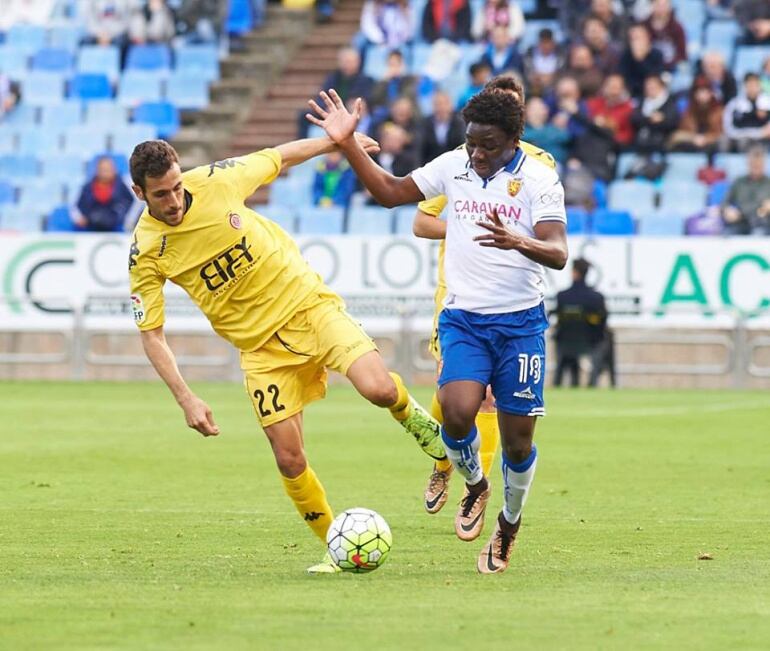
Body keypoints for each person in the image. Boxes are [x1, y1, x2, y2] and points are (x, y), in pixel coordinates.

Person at [127, 136, 446, 574]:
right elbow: (152, 334)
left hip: (308, 306)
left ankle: (415, 421)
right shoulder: (145, 250)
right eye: (161, 194)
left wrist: (336, 140)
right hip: (260, 350)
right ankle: (338, 548)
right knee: (288, 457)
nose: (174, 199)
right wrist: (187, 397)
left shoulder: (217, 181)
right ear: (139, 193)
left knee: (376, 389)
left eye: (177, 186)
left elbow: (279, 156)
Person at [306, 84, 568, 574]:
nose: (477, 152)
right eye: (472, 141)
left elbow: (558, 252)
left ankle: (509, 524)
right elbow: (388, 194)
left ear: (514, 140)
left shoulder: (539, 179)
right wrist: (346, 144)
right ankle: (475, 485)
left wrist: (518, 241)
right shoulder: (454, 166)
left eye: (488, 144)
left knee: (517, 442)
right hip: (464, 318)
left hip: (520, 323)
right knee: (457, 411)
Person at [409, 76, 559, 537]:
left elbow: (550, 237)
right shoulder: (460, 162)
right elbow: (420, 219)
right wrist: (466, 226)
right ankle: (445, 462)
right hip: (456, 297)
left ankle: (480, 491)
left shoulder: (539, 166)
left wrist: (516, 239)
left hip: (513, 304)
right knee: (452, 399)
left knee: (492, 404)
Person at [553, 258, 610, 388]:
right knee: (604, 339)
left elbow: (558, 319)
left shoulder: (562, 296)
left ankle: (562, 380)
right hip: (591, 343)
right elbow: (603, 322)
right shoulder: (597, 298)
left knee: (565, 347)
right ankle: (592, 382)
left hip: (566, 343)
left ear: (574, 272)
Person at [73, 156, 135, 232]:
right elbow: (77, 206)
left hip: (117, 226)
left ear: (114, 169)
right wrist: (80, 218)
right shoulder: (87, 187)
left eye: (109, 169)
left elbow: (132, 205)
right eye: (103, 169)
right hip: (91, 227)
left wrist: (126, 219)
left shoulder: (123, 186)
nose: (106, 172)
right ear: (97, 170)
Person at [721, 145, 770, 235]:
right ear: (748, 163)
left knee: (758, 234)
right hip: (740, 220)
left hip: (763, 222)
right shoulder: (738, 182)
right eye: (753, 164)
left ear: (763, 164)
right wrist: (727, 210)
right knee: (726, 234)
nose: (755, 167)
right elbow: (724, 203)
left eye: (758, 164)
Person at [669, 76, 724, 154]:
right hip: (692, 143)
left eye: (704, 92)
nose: (701, 95)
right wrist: (694, 138)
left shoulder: (719, 111)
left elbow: (721, 133)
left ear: (711, 93)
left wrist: (705, 139)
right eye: (698, 92)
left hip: (711, 144)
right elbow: (682, 131)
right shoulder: (689, 110)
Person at [723, 72, 770, 150]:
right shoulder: (734, 104)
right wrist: (756, 134)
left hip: (764, 140)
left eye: (755, 85)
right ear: (744, 86)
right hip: (739, 140)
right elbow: (728, 128)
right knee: (739, 142)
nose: (752, 88)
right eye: (749, 85)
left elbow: (767, 131)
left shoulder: (767, 103)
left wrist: (762, 134)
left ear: (760, 86)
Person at [418, 90, 466, 165]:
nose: (441, 108)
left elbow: (462, 146)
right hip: (431, 166)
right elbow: (421, 150)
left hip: (455, 164)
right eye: (437, 104)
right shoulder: (425, 124)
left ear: (450, 105)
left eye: (444, 104)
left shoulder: (460, 123)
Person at [618, 23, 665, 99]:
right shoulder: (626, 55)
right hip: (631, 93)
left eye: (638, 38)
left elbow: (655, 77)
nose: (636, 42)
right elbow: (623, 75)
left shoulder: (657, 54)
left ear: (647, 37)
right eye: (633, 39)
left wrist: (640, 60)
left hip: (651, 93)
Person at [643, 0, 687, 71]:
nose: (661, 9)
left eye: (664, 5)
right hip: (648, 68)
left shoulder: (677, 28)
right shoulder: (644, 26)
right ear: (652, 5)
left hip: (671, 68)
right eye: (658, 5)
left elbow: (682, 54)